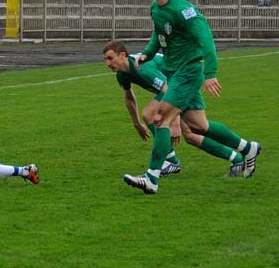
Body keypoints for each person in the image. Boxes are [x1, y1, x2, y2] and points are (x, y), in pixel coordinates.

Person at [123, 0, 261, 194]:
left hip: (188, 71)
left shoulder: (184, 11)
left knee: (160, 118)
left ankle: (152, 178)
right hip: (173, 71)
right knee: (200, 126)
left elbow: (206, 39)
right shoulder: (157, 9)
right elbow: (159, 35)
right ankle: (247, 148)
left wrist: (210, 74)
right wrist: (147, 53)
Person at [103, 40, 247, 176]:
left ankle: (171, 161)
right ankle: (237, 158)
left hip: (183, 82)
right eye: (105, 60)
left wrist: (175, 122)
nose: (107, 63)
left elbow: (168, 89)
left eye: (110, 58)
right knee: (192, 135)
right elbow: (129, 97)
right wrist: (136, 124)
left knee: (149, 114)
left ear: (122, 55)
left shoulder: (142, 68)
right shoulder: (122, 74)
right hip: (177, 85)